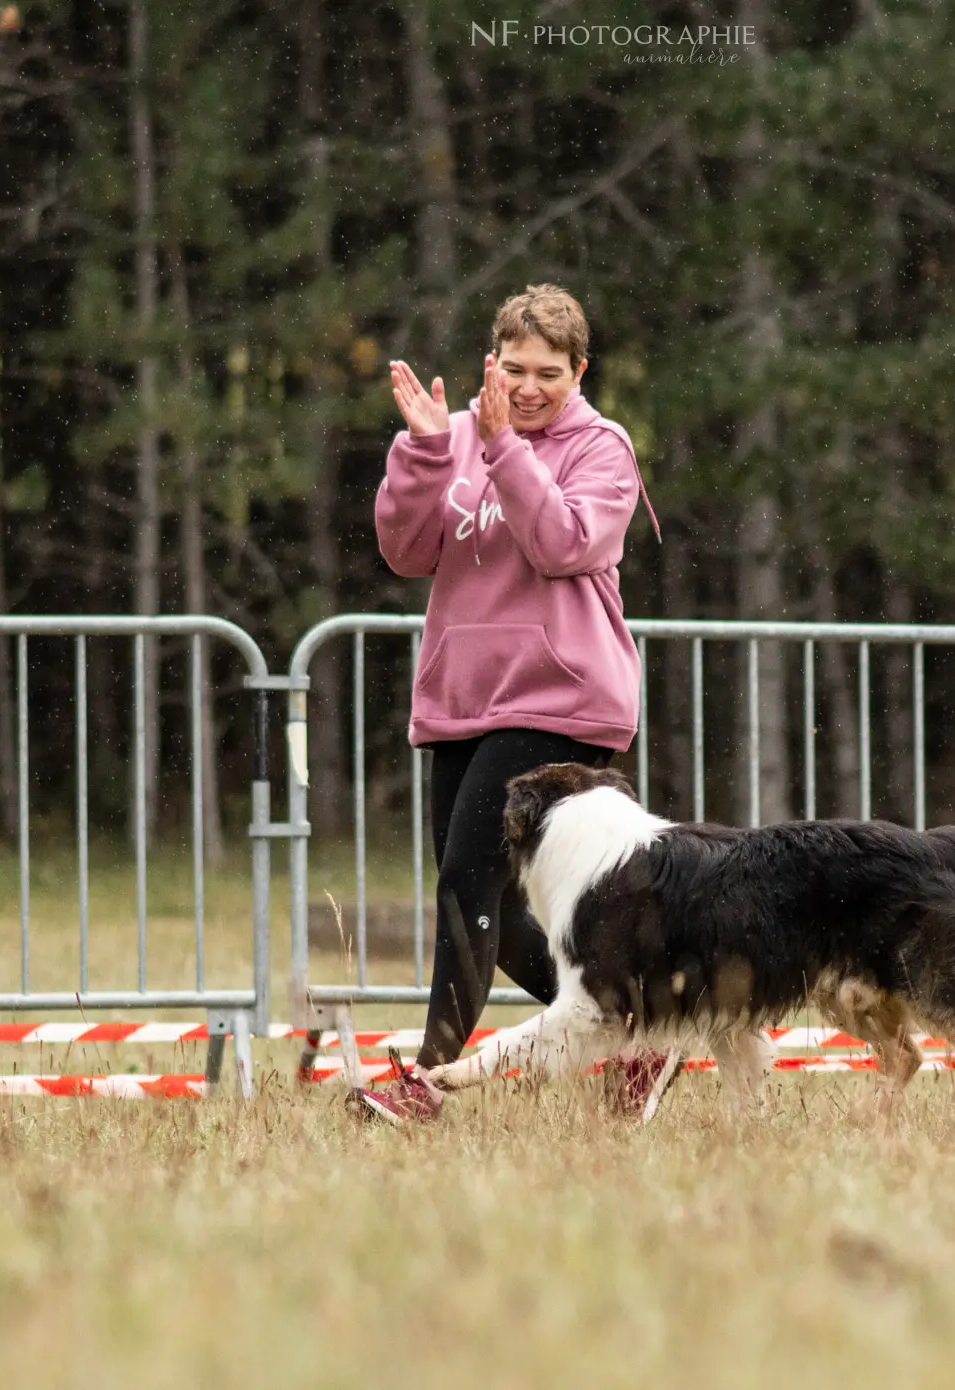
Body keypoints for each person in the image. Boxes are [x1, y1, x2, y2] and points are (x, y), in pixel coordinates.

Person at [353, 284, 664, 1124]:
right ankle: (637, 1029)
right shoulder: (450, 439)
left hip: (559, 699)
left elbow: (565, 543)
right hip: (463, 696)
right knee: (494, 905)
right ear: (491, 362)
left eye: (551, 374)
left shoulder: (603, 448)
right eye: (516, 369)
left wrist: (502, 451)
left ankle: (424, 1083)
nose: (530, 389)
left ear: (580, 372)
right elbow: (407, 552)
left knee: (465, 884)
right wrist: (423, 454)